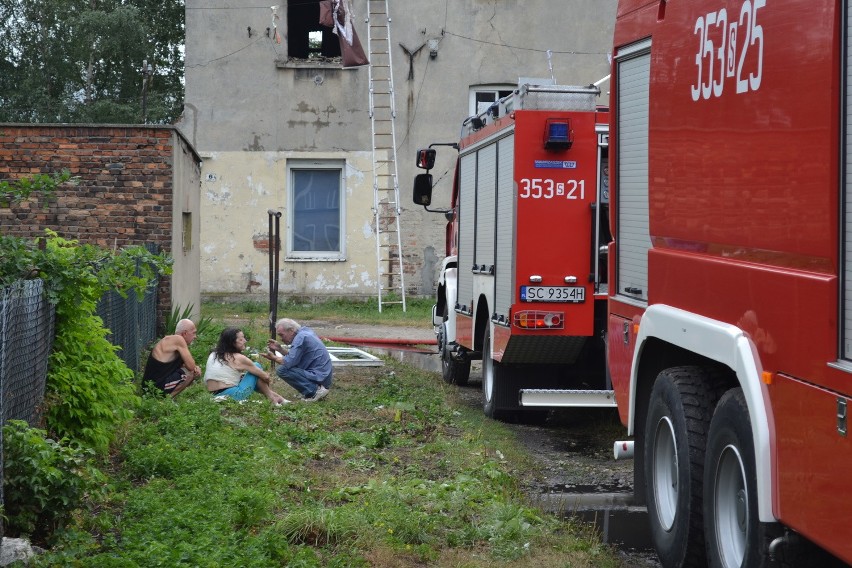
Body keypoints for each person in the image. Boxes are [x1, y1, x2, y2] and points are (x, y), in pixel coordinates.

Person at [203, 327, 288, 406]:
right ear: (232, 342)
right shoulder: (238, 357)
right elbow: (265, 377)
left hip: (214, 395)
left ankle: (280, 399)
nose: (245, 340)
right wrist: (266, 380)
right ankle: (273, 400)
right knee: (256, 367)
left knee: (251, 376)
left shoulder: (214, 354)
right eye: (241, 339)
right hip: (235, 395)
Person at [262, 318, 332, 402]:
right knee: (286, 367)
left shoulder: (300, 338)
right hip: (322, 374)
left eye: (281, 335)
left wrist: (274, 358)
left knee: (282, 370)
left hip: (319, 376)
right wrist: (280, 349)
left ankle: (315, 391)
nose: (281, 338)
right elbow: (294, 358)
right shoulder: (304, 332)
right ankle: (310, 391)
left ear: (291, 330)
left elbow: (288, 362)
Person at [142, 318, 202, 398]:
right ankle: (166, 400)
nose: (195, 337)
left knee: (187, 370)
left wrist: (195, 367)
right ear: (185, 333)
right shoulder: (179, 339)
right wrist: (195, 368)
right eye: (193, 333)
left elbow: (185, 365)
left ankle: (163, 399)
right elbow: (191, 367)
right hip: (156, 387)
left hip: (148, 386)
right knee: (190, 373)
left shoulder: (171, 341)